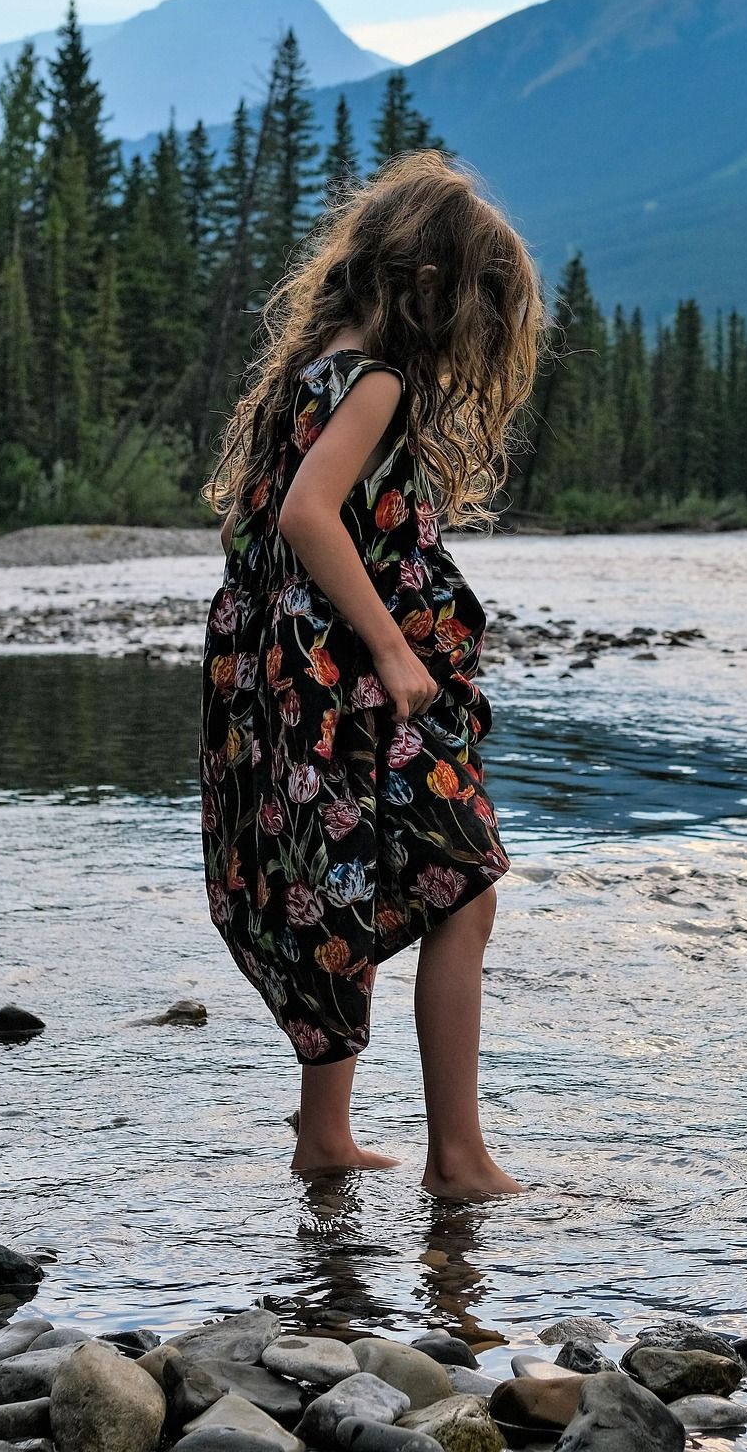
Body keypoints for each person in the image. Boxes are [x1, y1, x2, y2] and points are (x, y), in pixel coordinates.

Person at [199, 150, 545, 1199]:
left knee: (332, 889)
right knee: (466, 883)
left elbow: (267, 523)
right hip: (352, 678)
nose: (484, 328)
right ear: (431, 284)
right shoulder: (378, 381)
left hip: (289, 675)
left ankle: (325, 1137)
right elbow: (308, 515)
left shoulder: (311, 370)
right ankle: (457, 1160)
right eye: (482, 299)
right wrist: (394, 650)